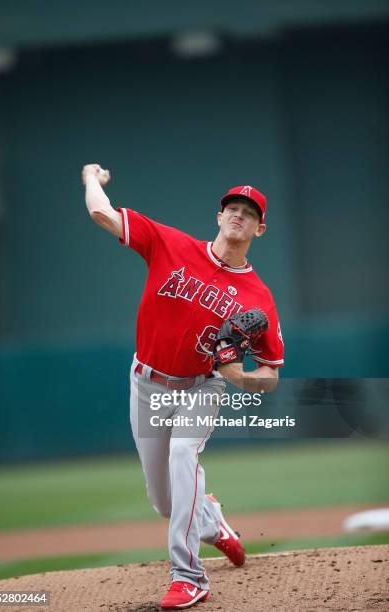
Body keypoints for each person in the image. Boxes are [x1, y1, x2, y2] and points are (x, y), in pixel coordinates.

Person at [82, 164, 284, 610]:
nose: (238, 215)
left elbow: (270, 375)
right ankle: (213, 523)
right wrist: (90, 178)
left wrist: (241, 378)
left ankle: (189, 575)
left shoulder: (259, 297)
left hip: (203, 385)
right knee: (164, 502)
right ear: (218, 216)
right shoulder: (170, 244)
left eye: (248, 212)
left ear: (260, 228)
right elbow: (101, 214)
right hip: (147, 383)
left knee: (182, 453)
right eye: (232, 207)